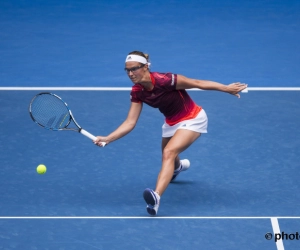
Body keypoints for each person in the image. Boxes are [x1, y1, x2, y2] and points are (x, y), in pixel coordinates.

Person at [94, 51, 247, 216]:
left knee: (169, 152)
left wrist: (226, 88)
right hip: (171, 122)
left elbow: (196, 83)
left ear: (145, 67)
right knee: (168, 157)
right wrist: (108, 138)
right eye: (127, 70)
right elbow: (130, 122)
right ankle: (178, 167)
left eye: (134, 69)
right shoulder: (137, 91)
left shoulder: (165, 80)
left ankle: (156, 198)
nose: (131, 74)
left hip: (193, 118)